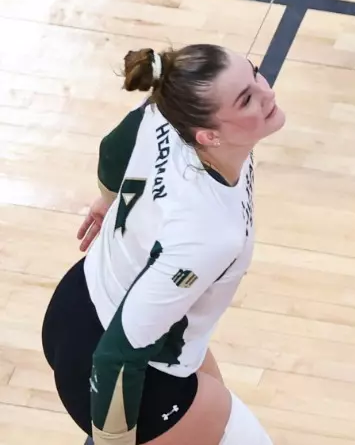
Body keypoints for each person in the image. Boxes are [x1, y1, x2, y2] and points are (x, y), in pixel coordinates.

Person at [41, 44, 285, 445]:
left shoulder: (167, 110)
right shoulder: (208, 234)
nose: (268, 93)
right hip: (118, 370)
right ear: (208, 135)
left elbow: (114, 146)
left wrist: (107, 196)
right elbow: (117, 356)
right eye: (246, 99)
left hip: (79, 304)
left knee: (202, 378)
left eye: (255, 74)